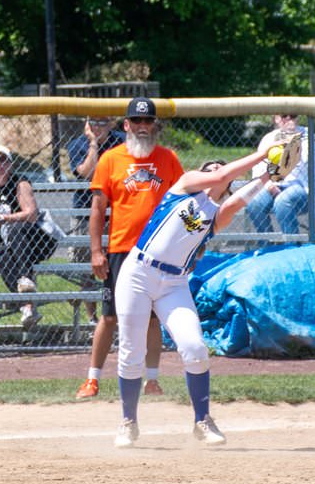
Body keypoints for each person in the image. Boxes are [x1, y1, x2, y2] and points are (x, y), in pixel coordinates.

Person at [112, 136, 289, 447]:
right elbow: (221, 177)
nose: (217, 170)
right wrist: (261, 154)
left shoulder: (216, 213)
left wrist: (268, 175)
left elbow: (239, 198)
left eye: (220, 168)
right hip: (138, 273)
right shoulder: (186, 183)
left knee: (195, 348)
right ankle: (128, 421)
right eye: (212, 167)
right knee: (131, 352)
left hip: (174, 284)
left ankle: (202, 420)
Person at [75, 97, 184, 399]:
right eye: (136, 121)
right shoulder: (111, 159)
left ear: (155, 125)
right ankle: (92, 379)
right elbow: (98, 209)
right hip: (121, 249)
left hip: (158, 251)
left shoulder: (168, 159)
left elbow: (184, 205)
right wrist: (97, 251)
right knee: (110, 316)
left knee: (151, 317)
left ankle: (152, 379)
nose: (143, 126)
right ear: (126, 125)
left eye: (148, 121)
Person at [0, 145, 58, 331]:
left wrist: (1, 218)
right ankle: (28, 308)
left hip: (36, 240)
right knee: (1, 257)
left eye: (3, 160)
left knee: (14, 228)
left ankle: (24, 277)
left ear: (10, 164)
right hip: (11, 246)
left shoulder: (19, 182)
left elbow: (31, 213)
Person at [67, 116, 125, 322]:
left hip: (117, 211)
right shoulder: (78, 144)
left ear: (111, 124)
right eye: (94, 123)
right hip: (86, 211)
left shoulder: (122, 141)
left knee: (117, 265)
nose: (98, 127)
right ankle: (92, 318)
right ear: (86, 125)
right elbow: (87, 172)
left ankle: (118, 315)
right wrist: (93, 143)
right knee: (87, 266)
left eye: (103, 123)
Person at [245, 114, 315, 236]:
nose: (289, 119)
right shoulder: (268, 139)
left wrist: (291, 140)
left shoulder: (307, 137)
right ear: (276, 119)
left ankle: (291, 245)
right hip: (273, 184)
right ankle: (267, 245)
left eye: (293, 116)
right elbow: (259, 169)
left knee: (283, 201)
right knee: (254, 203)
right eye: (284, 116)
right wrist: (269, 186)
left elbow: (305, 161)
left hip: (302, 187)